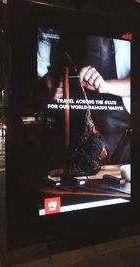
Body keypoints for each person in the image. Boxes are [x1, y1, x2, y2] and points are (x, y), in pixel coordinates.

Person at [38, 31, 131, 167]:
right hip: (68, 112)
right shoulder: (51, 27)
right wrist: (46, 81)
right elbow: (39, 65)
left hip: (118, 124)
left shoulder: (127, 33)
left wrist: (104, 85)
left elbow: (139, 84)